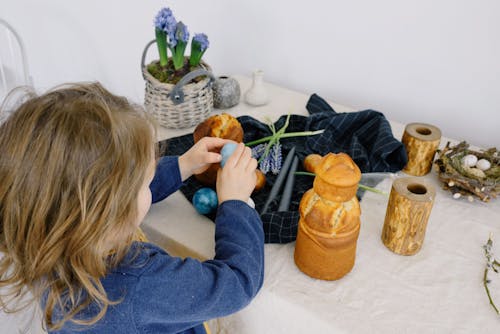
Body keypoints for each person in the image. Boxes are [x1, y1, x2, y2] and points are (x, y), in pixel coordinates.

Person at [0, 82, 264, 333]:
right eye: (146, 181)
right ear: (111, 211)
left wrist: (182, 166)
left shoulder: (39, 240)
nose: (150, 181)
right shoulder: (143, 285)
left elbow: (111, 193)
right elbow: (238, 283)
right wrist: (236, 203)